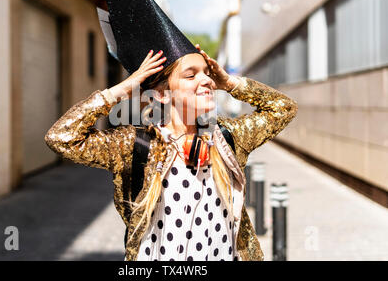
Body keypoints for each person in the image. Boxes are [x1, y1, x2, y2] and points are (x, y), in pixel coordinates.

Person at [45, 44, 298, 261]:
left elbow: (283, 109)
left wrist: (230, 82)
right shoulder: (136, 145)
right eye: (191, 75)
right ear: (164, 94)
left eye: (207, 73)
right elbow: (62, 138)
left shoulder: (226, 137)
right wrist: (121, 89)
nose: (207, 80)